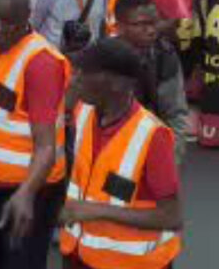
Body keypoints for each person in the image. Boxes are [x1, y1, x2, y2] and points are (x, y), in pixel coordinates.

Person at [0, 0, 71, 269]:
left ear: (28, 15)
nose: (1, 29)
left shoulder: (41, 64)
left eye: (10, 22)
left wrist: (25, 195)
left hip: (32, 192)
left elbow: (46, 147)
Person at [59, 37, 182, 269]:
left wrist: (97, 211)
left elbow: (171, 217)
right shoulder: (84, 112)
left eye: (84, 73)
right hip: (78, 255)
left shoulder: (153, 136)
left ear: (117, 83)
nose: (75, 79)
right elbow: (64, 108)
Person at [110, 0, 191, 158]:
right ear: (119, 27)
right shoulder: (103, 60)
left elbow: (175, 115)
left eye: (154, 23)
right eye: (142, 24)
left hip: (149, 141)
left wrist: (170, 162)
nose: (151, 30)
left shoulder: (164, 54)